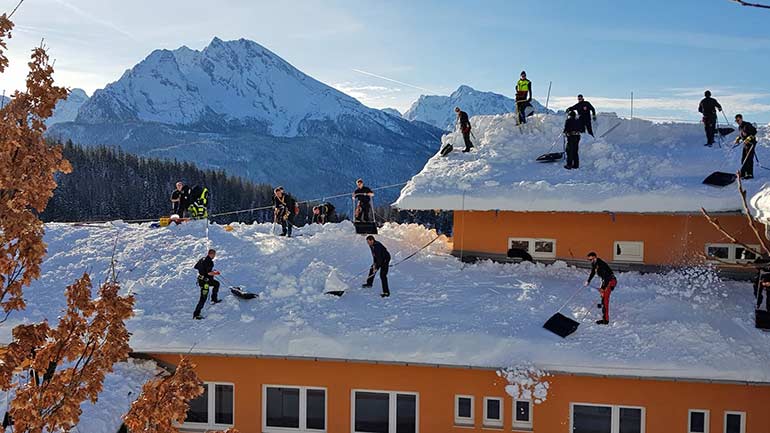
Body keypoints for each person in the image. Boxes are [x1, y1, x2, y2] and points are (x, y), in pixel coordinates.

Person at [585, 252, 617, 325]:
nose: (590, 261)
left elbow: (606, 277)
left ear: (595, 257)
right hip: (605, 280)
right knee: (602, 295)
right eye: (589, 260)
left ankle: (605, 320)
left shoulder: (601, 264)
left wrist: (603, 288)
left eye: (591, 259)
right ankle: (602, 304)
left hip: (610, 281)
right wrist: (588, 281)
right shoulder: (594, 263)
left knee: (605, 299)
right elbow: (593, 272)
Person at [193, 249, 221, 319]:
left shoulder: (202, 259)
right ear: (211, 254)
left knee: (216, 284)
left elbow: (196, 267)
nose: (214, 256)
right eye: (214, 255)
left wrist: (204, 271)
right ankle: (196, 314)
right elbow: (209, 273)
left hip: (202, 280)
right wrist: (216, 273)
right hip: (205, 282)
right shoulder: (209, 262)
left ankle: (214, 299)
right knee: (203, 298)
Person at [735, 114, 758, 179]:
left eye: (738, 120)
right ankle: (743, 174)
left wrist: (749, 137)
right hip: (745, 144)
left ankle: (749, 174)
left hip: (751, 143)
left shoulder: (747, 125)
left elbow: (754, 131)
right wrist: (738, 138)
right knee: (743, 158)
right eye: (736, 121)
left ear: (741, 119)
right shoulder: (740, 127)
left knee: (749, 159)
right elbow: (742, 134)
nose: (737, 122)